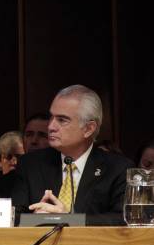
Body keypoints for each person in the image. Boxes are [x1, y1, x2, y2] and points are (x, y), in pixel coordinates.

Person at [11, 85, 133, 225]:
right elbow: (14, 217)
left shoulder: (117, 169)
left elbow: (123, 219)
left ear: (88, 129)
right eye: (51, 117)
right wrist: (40, 218)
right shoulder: (30, 164)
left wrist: (68, 219)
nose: (51, 126)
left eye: (62, 120)